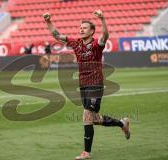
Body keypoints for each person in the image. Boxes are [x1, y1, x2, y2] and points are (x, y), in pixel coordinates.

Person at [43, 10, 130, 160]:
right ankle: (122, 123)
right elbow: (57, 35)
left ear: (91, 31)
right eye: (80, 27)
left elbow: (106, 36)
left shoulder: (97, 44)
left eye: (84, 27)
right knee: (94, 119)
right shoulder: (76, 43)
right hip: (83, 84)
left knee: (86, 115)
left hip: (95, 83)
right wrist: (48, 21)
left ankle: (86, 152)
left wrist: (102, 19)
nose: (81, 29)